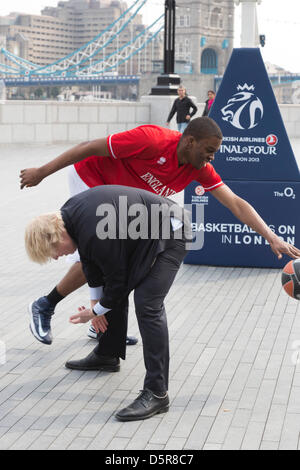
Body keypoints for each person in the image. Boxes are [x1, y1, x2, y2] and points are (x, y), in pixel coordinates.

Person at [20, 117, 300, 348]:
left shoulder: (197, 167)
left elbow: (236, 203)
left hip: (119, 201)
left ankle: (99, 325)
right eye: (209, 150)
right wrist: (42, 172)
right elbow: (89, 147)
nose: (212, 157)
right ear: (189, 141)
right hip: (91, 179)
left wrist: (271, 236)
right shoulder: (151, 140)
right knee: (91, 252)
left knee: (113, 258)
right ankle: (46, 305)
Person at [25, 185, 191, 421]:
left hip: (173, 230)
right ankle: (107, 353)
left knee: (147, 304)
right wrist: (97, 306)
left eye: (52, 250)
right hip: (148, 233)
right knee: (112, 295)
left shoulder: (91, 229)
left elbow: (117, 282)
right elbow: (92, 264)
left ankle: (157, 392)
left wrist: (94, 311)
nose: (55, 257)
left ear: (57, 235)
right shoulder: (70, 216)